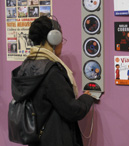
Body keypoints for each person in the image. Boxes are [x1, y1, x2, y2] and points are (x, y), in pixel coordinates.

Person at [11, 16, 96, 146]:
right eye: (61, 39)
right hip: (56, 139)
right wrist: (86, 98)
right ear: (54, 38)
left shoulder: (25, 67)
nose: (61, 43)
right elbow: (72, 110)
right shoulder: (51, 72)